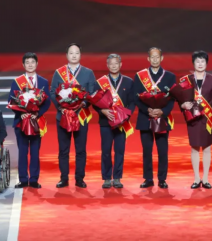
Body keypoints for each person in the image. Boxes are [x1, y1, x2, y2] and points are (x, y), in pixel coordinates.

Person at [50, 43, 96, 188]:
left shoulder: (88, 72)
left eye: (76, 53)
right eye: (71, 53)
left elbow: (92, 93)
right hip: (63, 115)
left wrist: (84, 104)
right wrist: (61, 107)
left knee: (80, 149)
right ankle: (64, 178)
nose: (74, 55)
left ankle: (79, 178)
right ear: (67, 55)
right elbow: (52, 92)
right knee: (63, 150)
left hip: (81, 116)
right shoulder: (59, 72)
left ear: (80, 55)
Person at [133, 47, 176, 189]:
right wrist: (148, 110)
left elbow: (172, 99)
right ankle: (148, 178)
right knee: (147, 150)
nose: (155, 59)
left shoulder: (170, 76)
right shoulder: (140, 76)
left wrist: (162, 111)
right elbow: (136, 98)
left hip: (162, 118)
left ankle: (162, 179)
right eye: (152, 57)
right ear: (148, 59)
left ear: (162, 58)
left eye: (157, 57)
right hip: (145, 117)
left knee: (162, 150)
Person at [8, 52, 51, 189]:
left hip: (36, 121)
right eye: (27, 62)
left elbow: (47, 101)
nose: (30, 65)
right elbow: (11, 100)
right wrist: (21, 113)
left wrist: (37, 114)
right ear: (23, 65)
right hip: (21, 122)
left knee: (35, 151)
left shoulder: (43, 82)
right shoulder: (17, 81)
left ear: (37, 64)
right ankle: (22, 179)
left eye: (32, 62)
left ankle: (33, 179)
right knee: (22, 151)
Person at [179, 51, 212, 189]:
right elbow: (181, 98)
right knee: (195, 148)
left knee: (207, 148)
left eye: (203, 61)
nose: (200, 64)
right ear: (193, 63)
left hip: (208, 118)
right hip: (193, 118)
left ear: (206, 63)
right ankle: (196, 178)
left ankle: (206, 179)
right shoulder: (187, 79)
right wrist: (183, 105)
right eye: (197, 61)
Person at [93, 54, 135, 189]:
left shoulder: (128, 82)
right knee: (106, 151)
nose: (114, 66)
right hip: (106, 122)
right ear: (107, 65)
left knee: (119, 150)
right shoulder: (100, 82)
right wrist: (102, 111)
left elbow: (132, 102)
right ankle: (106, 178)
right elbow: (94, 102)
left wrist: (126, 115)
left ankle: (117, 177)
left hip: (122, 123)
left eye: (116, 63)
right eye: (111, 63)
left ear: (120, 64)